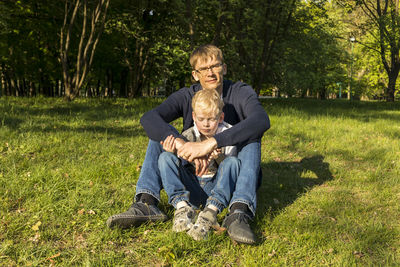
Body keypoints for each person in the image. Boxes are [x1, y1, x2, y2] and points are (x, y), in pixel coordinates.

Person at [106, 44, 270, 244]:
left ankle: (238, 212)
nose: (210, 73)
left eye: (215, 66)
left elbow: (261, 120)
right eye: (204, 69)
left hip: (229, 177)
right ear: (195, 74)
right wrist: (181, 144)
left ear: (224, 68)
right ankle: (147, 203)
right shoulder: (186, 95)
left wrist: (211, 143)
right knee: (161, 135)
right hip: (192, 176)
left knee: (252, 136)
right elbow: (149, 118)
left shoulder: (239, 92)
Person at [159, 89, 239, 240]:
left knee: (232, 162)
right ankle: (182, 207)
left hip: (216, 187)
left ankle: (210, 213)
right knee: (165, 158)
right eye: (201, 119)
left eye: (211, 119)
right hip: (193, 186)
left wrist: (219, 157)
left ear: (221, 117)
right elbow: (181, 165)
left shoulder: (228, 134)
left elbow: (232, 169)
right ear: (194, 117)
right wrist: (173, 153)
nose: (206, 124)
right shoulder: (188, 135)